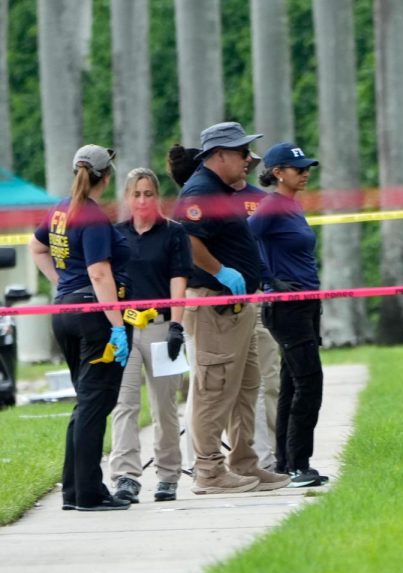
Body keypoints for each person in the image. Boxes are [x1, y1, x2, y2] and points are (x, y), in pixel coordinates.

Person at [174, 122, 289, 494]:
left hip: (239, 308)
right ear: (219, 155)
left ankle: (245, 463)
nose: (248, 159)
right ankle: (209, 470)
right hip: (215, 306)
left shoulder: (222, 190)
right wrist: (220, 270)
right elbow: (187, 239)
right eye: (241, 152)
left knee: (245, 386)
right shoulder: (200, 191)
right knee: (215, 387)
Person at [28, 145, 133, 511]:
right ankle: (88, 492)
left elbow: (36, 247)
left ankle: (75, 490)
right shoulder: (91, 215)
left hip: (65, 312)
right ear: (107, 176)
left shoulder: (59, 209)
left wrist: (62, 285)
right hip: (93, 317)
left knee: (85, 403)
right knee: (95, 403)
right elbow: (99, 272)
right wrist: (117, 325)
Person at [106, 168, 191, 504]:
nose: (142, 200)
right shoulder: (116, 234)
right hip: (125, 329)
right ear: (127, 197)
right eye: (136, 194)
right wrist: (113, 328)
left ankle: (168, 475)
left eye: (149, 193)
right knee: (124, 405)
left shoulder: (173, 234)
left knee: (164, 406)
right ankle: (125, 476)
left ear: (157, 197)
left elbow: (178, 280)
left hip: (160, 326)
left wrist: (177, 327)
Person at [250, 142, 328, 487]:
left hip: (306, 304)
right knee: (310, 383)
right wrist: (270, 281)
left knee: (293, 384)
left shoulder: (291, 206)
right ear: (278, 173)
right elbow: (244, 242)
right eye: (299, 169)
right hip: (286, 308)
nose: (306, 173)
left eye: (307, 167)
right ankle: (299, 464)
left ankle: (286, 462)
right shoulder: (271, 208)